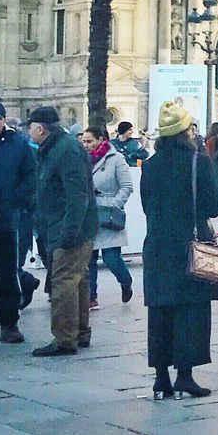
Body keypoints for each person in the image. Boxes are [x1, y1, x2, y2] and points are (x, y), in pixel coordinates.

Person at [140, 99, 218, 399]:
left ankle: (161, 376)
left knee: (160, 310)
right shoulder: (197, 162)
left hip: (157, 246)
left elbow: (147, 205)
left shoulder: (149, 166)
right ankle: (185, 375)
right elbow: (214, 205)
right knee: (191, 311)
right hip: (191, 245)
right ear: (186, 132)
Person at [27, 105, 97, 356]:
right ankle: (79, 332)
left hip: (69, 227)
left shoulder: (65, 149)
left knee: (64, 281)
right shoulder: (55, 148)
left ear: (40, 128)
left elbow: (76, 194)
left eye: (31, 127)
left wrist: (69, 231)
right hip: (64, 224)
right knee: (77, 279)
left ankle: (65, 338)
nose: (29, 132)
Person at [0, 101, 37, 344]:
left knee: (6, 273)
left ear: (3, 121)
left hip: (5, 217)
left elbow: (30, 175)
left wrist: (18, 201)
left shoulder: (18, 144)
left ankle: (8, 322)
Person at [82, 126, 134, 307]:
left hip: (109, 214)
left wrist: (115, 204)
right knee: (89, 258)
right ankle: (91, 296)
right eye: (84, 141)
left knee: (111, 257)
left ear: (101, 139)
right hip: (90, 213)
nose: (86, 145)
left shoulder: (116, 158)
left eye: (90, 141)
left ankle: (125, 281)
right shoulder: (83, 160)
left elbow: (127, 186)